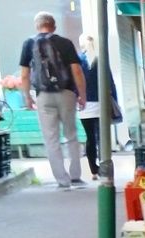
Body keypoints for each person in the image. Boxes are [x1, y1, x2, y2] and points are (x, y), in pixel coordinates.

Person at [19, 11, 87, 189]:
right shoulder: (65, 43)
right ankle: (75, 176)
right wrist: (82, 94)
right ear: (54, 26)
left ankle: (62, 180)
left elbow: (24, 75)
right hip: (67, 93)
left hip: (43, 95)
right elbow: (77, 71)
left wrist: (27, 97)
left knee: (51, 138)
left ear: (37, 26)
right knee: (71, 135)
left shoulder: (28, 44)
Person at [77, 34, 119, 180]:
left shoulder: (78, 60)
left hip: (84, 103)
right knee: (102, 137)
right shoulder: (101, 60)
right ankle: (103, 166)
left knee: (90, 138)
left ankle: (93, 170)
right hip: (101, 103)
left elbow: (75, 80)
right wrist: (115, 101)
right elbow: (110, 82)